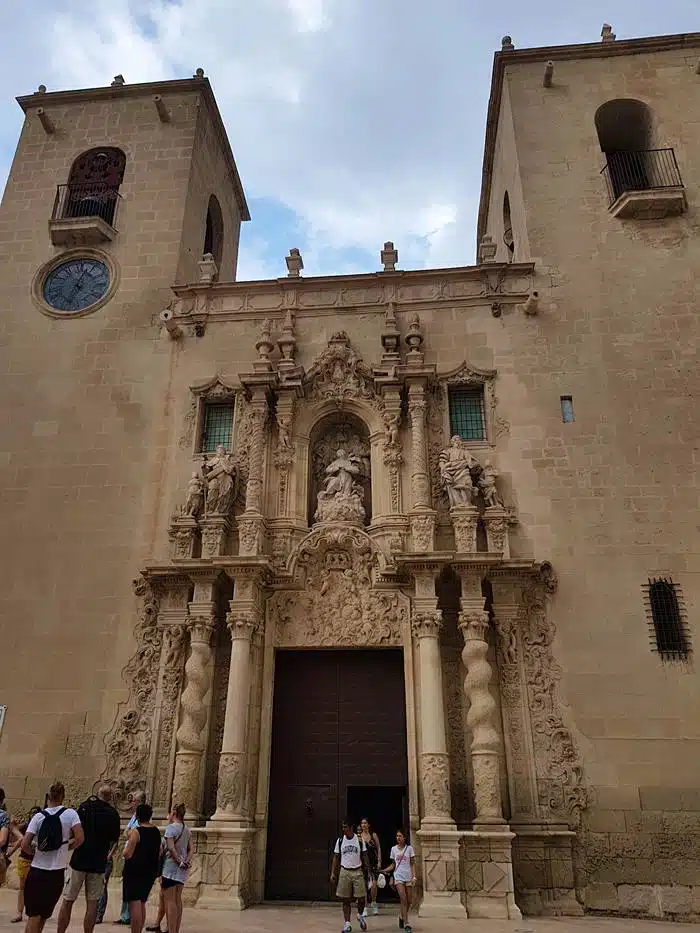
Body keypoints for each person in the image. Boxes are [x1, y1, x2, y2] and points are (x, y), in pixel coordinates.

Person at [20, 782, 84, 933]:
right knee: (43, 915)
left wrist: (35, 853)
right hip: (56, 872)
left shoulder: (38, 817)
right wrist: (65, 848)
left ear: (48, 796)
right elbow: (80, 838)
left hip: (37, 870)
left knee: (33, 915)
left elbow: (24, 844)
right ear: (63, 796)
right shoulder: (70, 814)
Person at [56, 786, 121, 933]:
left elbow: (75, 831)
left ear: (97, 794)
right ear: (110, 797)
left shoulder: (85, 807)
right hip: (98, 863)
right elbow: (113, 839)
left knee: (67, 901)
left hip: (79, 860)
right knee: (92, 904)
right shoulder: (113, 814)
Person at [122, 804, 161, 933]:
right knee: (142, 901)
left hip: (135, 870)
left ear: (138, 816)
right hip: (150, 870)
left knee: (135, 903)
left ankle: (135, 930)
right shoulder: (156, 831)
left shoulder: (136, 832)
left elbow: (128, 852)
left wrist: (124, 853)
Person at [330, 819, 369, 933]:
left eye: (345, 827)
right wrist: (333, 872)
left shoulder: (359, 840)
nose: (343, 829)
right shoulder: (340, 841)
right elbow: (336, 857)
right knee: (345, 899)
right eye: (342, 827)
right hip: (344, 871)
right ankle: (347, 924)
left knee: (361, 897)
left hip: (357, 870)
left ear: (351, 827)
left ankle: (360, 915)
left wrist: (369, 871)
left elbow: (365, 855)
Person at [116, 790, 146, 925]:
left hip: (135, 855)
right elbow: (126, 832)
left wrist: (130, 833)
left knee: (134, 889)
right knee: (126, 887)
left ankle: (132, 917)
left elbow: (135, 833)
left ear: (140, 802)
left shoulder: (144, 817)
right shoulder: (134, 816)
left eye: (134, 801)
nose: (132, 803)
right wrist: (130, 833)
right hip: (129, 854)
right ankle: (125, 915)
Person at [160, 804, 191, 933]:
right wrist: (185, 862)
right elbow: (191, 849)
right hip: (182, 870)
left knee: (169, 901)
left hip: (170, 868)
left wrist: (179, 861)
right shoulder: (187, 830)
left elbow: (171, 848)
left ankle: (171, 930)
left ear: (173, 813)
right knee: (178, 900)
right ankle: (176, 930)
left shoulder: (170, 829)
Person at [8, 808, 41, 923]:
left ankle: (34, 913)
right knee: (22, 888)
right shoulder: (27, 826)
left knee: (35, 888)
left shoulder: (41, 827)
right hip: (25, 859)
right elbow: (18, 838)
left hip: (36, 862)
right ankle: (19, 913)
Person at [379, 829, 416, 933]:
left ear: (404, 837)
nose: (398, 838)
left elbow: (412, 864)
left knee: (409, 901)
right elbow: (393, 864)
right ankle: (407, 923)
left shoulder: (409, 849)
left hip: (408, 876)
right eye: (397, 836)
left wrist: (414, 877)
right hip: (398, 876)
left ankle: (401, 915)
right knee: (403, 898)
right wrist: (384, 870)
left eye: (400, 836)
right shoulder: (393, 849)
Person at [358, 818, 381, 918]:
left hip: (373, 863)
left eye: (365, 823)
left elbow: (378, 847)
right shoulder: (359, 837)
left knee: (374, 885)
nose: (363, 825)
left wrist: (379, 861)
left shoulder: (373, 835)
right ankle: (365, 907)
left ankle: (374, 902)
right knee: (364, 886)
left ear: (369, 824)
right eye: (362, 823)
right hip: (362, 863)